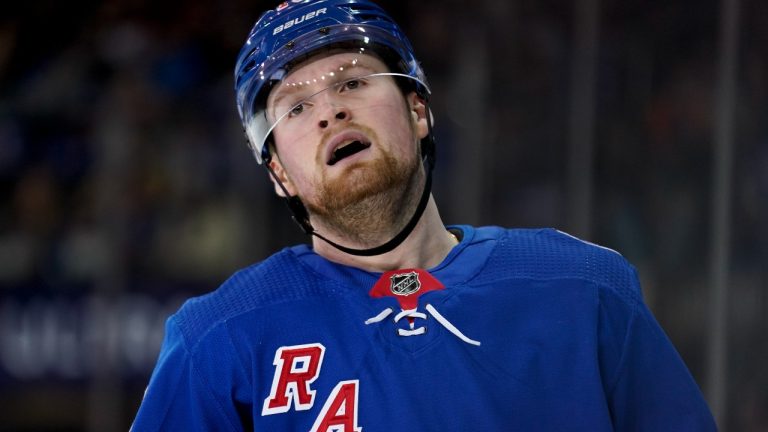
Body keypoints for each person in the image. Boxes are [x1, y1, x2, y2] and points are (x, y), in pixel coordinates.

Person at [131, 1, 717, 430]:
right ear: (278, 172)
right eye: (297, 107)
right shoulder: (217, 341)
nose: (330, 111)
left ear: (418, 112)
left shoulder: (585, 289)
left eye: (353, 83)